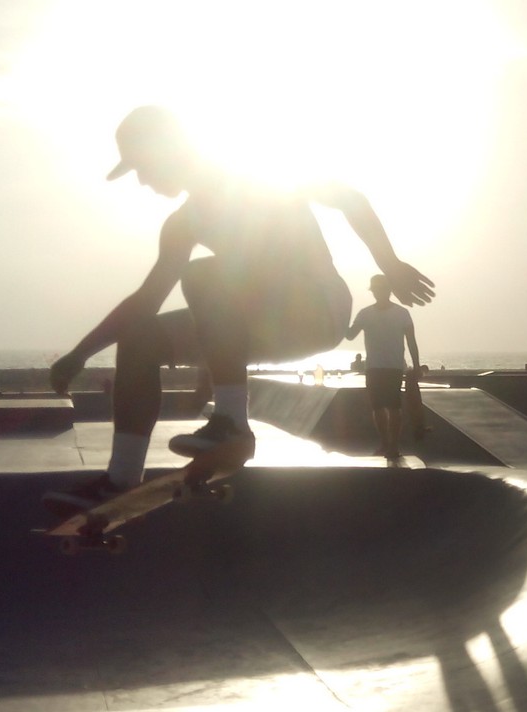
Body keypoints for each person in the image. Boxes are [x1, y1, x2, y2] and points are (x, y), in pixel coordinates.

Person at [43, 105, 433, 510]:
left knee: (202, 277)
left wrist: (390, 265)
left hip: (317, 307)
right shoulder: (183, 224)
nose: (143, 181)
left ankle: (231, 424)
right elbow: (145, 302)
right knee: (139, 339)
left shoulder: (260, 176)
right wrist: (80, 354)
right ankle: (121, 478)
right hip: (254, 322)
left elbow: (349, 199)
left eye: (143, 167)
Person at [346, 274, 421, 459]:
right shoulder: (365, 313)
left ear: (389, 290)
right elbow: (349, 335)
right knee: (378, 408)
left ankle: (393, 446)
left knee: (394, 407)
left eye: (382, 289)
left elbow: (411, 341)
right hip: (373, 367)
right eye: (376, 290)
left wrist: (417, 366)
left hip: (394, 367)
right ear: (373, 292)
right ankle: (386, 444)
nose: (379, 292)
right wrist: (335, 318)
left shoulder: (402, 313)